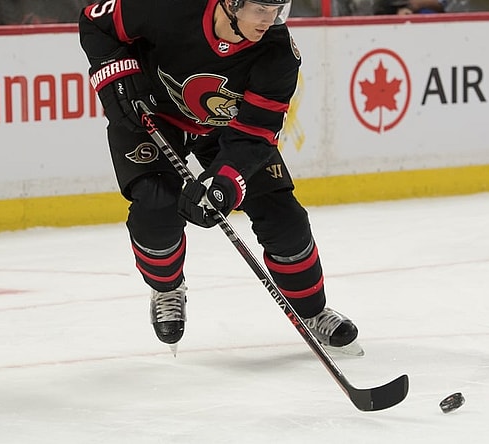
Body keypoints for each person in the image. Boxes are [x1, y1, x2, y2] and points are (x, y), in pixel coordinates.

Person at [78, 0, 359, 352]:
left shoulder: (278, 53)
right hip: (151, 112)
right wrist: (114, 74)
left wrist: (225, 184)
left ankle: (313, 311)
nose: (269, 19)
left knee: (283, 217)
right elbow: (95, 21)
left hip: (228, 129)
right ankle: (167, 289)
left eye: (277, 9)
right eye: (260, 9)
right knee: (155, 203)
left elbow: (255, 134)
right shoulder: (169, 7)